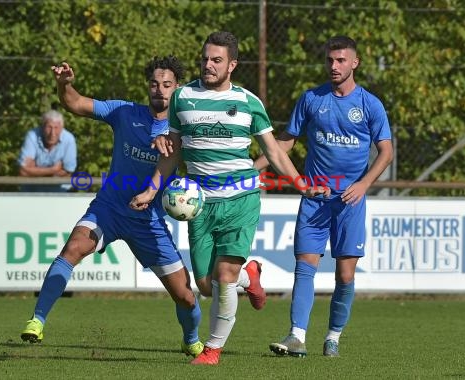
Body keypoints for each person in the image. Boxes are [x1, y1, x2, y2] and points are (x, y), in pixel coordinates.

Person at [130, 31, 324, 365]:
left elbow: (274, 152)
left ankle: (212, 350)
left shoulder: (248, 102)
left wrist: (300, 183)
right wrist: (151, 189)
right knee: (206, 286)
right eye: (205, 58)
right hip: (199, 204)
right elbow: (172, 153)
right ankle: (251, 275)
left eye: (216, 60)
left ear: (232, 64)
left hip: (241, 199)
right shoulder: (182, 97)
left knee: (223, 278)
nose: (208, 65)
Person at [20, 55, 205, 359]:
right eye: (155, 84)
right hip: (109, 208)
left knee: (185, 296)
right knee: (73, 249)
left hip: (149, 221)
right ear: (148, 86)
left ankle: (191, 338)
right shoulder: (124, 112)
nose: (159, 89)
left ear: (178, 88)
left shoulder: (182, 130)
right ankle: (37, 320)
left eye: (167, 85)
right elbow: (75, 102)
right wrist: (64, 83)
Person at [256, 35, 393, 358]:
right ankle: (296, 336)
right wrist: (251, 168)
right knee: (305, 266)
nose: (334, 66)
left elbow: (386, 152)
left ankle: (333, 336)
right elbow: (285, 142)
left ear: (354, 63)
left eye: (341, 60)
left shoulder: (369, 104)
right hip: (315, 197)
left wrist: (363, 185)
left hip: (350, 202)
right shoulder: (311, 99)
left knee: (345, 275)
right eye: (330, 60)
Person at [18, 109, 77, 192]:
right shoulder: (32, 136)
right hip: (31, 193)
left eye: (56, 128)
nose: (52, 133)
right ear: (42, 127)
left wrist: (34, 170)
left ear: (62, 128)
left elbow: (67, 173)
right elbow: (23, 172)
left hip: (59, 193)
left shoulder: (69, 139)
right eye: (49, 127)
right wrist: (53, 170)